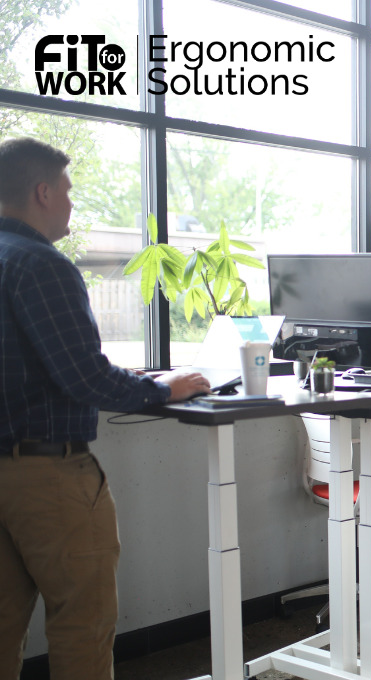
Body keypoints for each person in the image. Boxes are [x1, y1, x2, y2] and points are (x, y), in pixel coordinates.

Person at [0, 137, 210, 679]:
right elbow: (84, 376)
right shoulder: (41, 264)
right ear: (42, 192)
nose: (72, 204)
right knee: (82, 625)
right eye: (67, 191)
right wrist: (166, 389)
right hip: (46, 477)